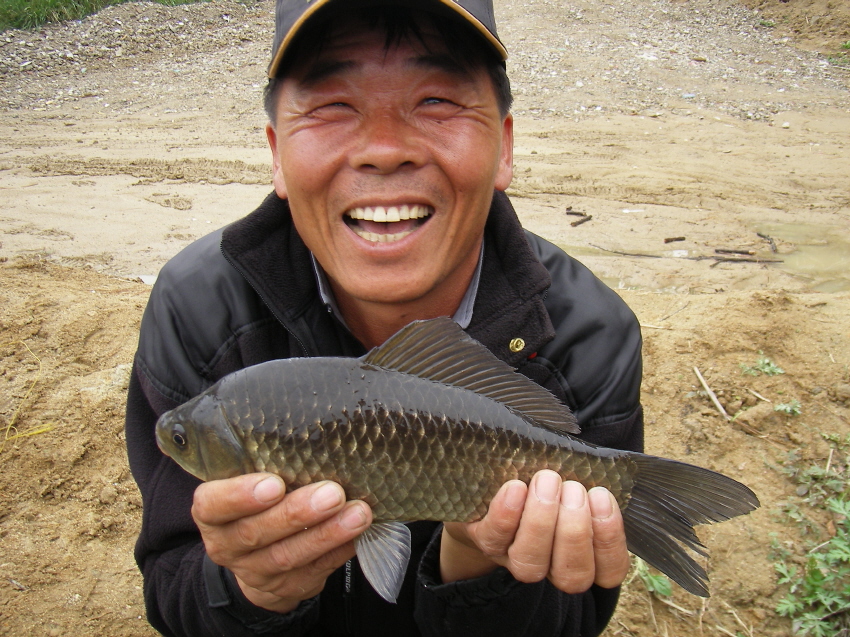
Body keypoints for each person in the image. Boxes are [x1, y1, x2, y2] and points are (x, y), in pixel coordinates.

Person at [125, 0, 644, 635]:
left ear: (504, 146)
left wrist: (478, 564)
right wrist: (249, 590)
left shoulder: (592, 336)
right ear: (276, 153)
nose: (384, 150)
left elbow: (579, 614)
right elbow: (171, 585)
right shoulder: (197, 310)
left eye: (437, 102)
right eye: (332, 106)